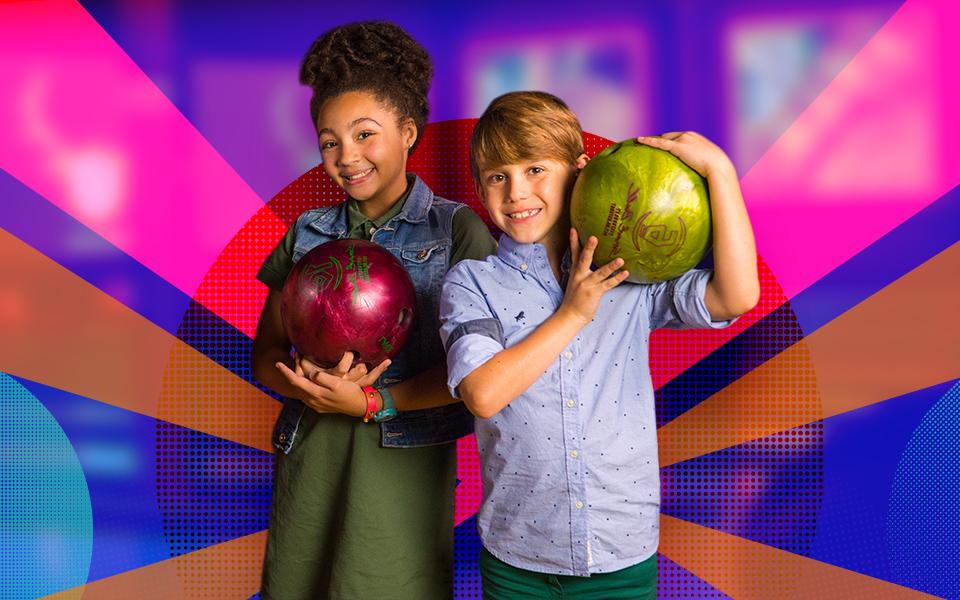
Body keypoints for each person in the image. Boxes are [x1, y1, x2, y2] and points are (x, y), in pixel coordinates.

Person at [439, 91, 759, 599]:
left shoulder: (627, 276)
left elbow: (735, 295)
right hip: (517, 555)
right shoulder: (472, 282)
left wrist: (720, 173)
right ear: (482, 188)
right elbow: (482, 393)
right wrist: (572, 314)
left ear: (580, 171)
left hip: (620, 549)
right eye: (498, 176)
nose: (517, 192)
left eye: (536, 169)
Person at [251, 21, 497, 600]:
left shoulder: (457, 230)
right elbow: (265, 355)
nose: (346, 156)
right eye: (329, 140)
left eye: (365, 134)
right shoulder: (307, 234)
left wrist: (371, 401)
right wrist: (302, 385)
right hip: (310, 459)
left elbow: (481, 375)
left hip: (401, 472)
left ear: (408, 131)